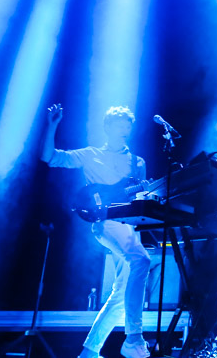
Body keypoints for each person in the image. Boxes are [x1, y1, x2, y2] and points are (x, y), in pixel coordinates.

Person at [41, 103, 151, 358]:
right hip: (105, 221)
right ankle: (134, 338)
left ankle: (89, 352)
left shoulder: (138, 162)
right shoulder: (90, 154)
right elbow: (49, 157)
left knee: (122, 290)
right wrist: (52, 125)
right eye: (120, 125)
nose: (124, 130)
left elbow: (140, 196)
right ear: (107, 127)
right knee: (142, 260)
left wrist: (149, 192)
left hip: (131, 226)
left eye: (128, 127)